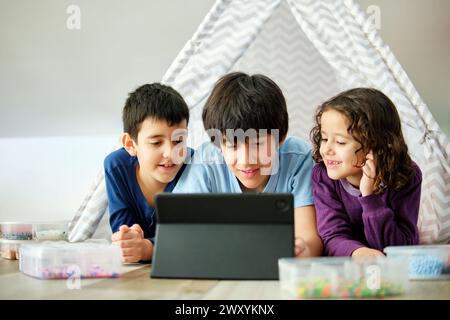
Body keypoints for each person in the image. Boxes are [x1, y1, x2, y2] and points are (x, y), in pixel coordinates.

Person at [173, 72, 323, 257]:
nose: (246, 160)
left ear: (281, 137)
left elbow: (309, 239)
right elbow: (181, 231)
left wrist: (300, 251)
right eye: (232, 145)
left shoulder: (298, 159)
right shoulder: (206, 160)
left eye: (258, 144)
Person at [310, 87, 422, 257]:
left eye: (340, 142)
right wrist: (357, 253)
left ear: (376, 145)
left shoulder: (406, 175)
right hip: (347, 268)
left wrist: (370, 197)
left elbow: (400, 247)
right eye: (324, 139)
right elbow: (332, 236)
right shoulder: (323, 176)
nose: (326, 149)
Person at [104, 83, 192, 263]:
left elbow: (192, 239)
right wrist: (128, 241)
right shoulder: (116, 166)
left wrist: (147, 249)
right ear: (130, 144)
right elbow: (124, 234)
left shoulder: (195, 167)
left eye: (179, 140)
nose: (170, 153)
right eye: (156, 143)